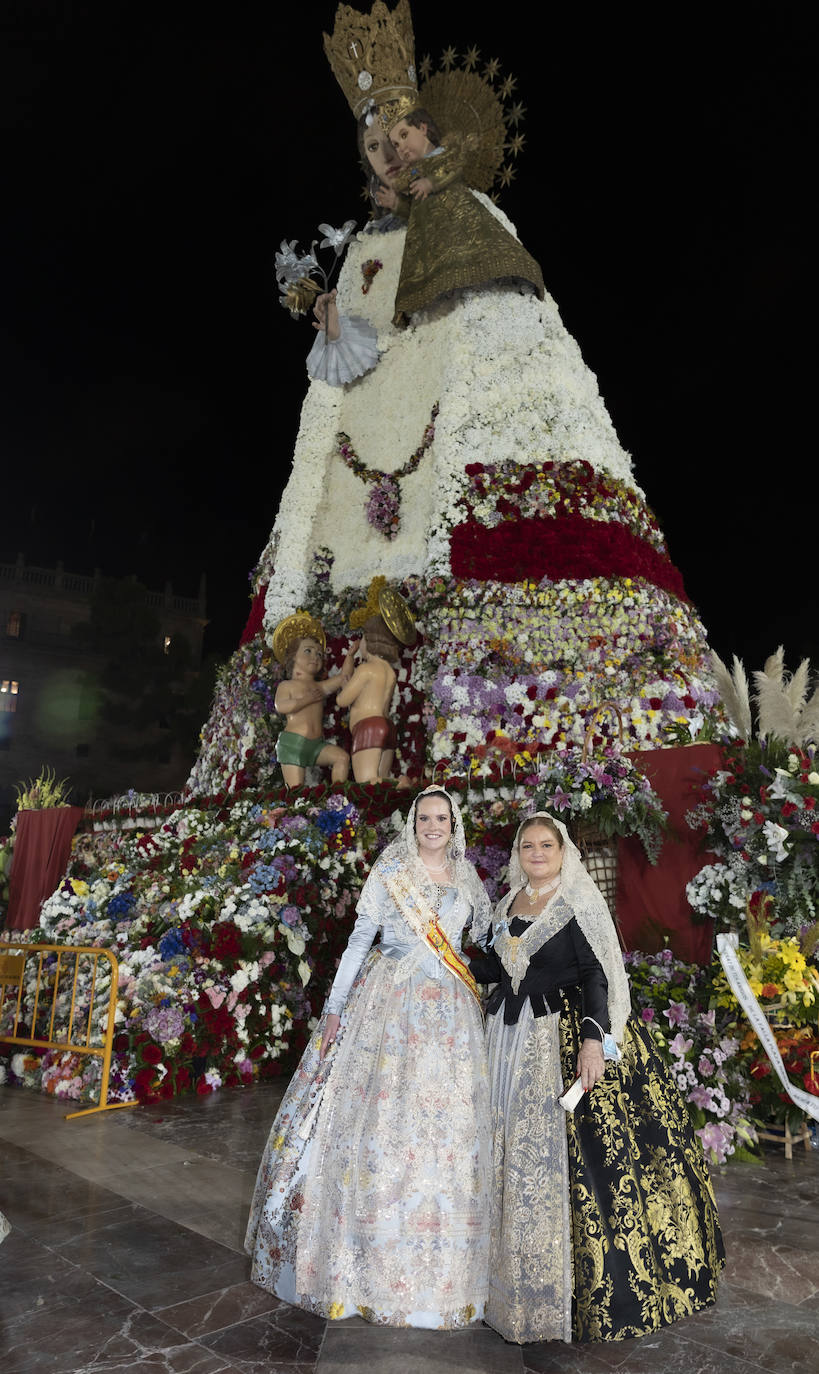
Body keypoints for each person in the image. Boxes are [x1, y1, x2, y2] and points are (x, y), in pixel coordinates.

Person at [470, 812, 725, 1345]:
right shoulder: (507, 906)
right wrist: (449, 963)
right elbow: (498, 969)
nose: (536, 853)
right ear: (517, 853)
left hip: (562, 1040)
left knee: (568, 1163)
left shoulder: (577, 903)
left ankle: (560, 1291)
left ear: (563, 852)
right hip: (506, 1041)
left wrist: (592, 1040)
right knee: (503, 1153)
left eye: (546, 845)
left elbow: (597, 975)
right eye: (528, 845)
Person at [245, 786, 493, 1328]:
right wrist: (334, 1009)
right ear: (412, 823)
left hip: (450, 1016)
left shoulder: (470, 877)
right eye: (424, 817)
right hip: (388, 1005)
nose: (433, 826)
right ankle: (359, 1261)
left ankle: (445, 1270)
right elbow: (361, 941)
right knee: (381, 1120)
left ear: (455, 825)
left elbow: (487, 943)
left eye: (442, 818)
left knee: (448, 1130)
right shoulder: (391, 872)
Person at [377, 101, 544, 326]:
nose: (401, 148)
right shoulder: (412, 175)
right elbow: (415, 214)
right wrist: (396, 204)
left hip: (459, 216)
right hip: (430, 241)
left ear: (423, 128)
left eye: (405, 135)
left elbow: (453, 171)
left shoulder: (445, 154)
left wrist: (431, 182)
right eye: (396, 145)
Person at [272, 612, 353, 787]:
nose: (315, 657)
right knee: (295, 793)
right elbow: (281, 706)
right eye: (308, 651)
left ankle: (337, 804)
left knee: (342, 758)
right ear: (293, 655)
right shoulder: (287, 685)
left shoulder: (320, 687)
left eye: (318, 654)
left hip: (316, 745)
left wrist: (351, 654)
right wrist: (305, 700)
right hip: (293, 743)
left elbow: (344, 677)